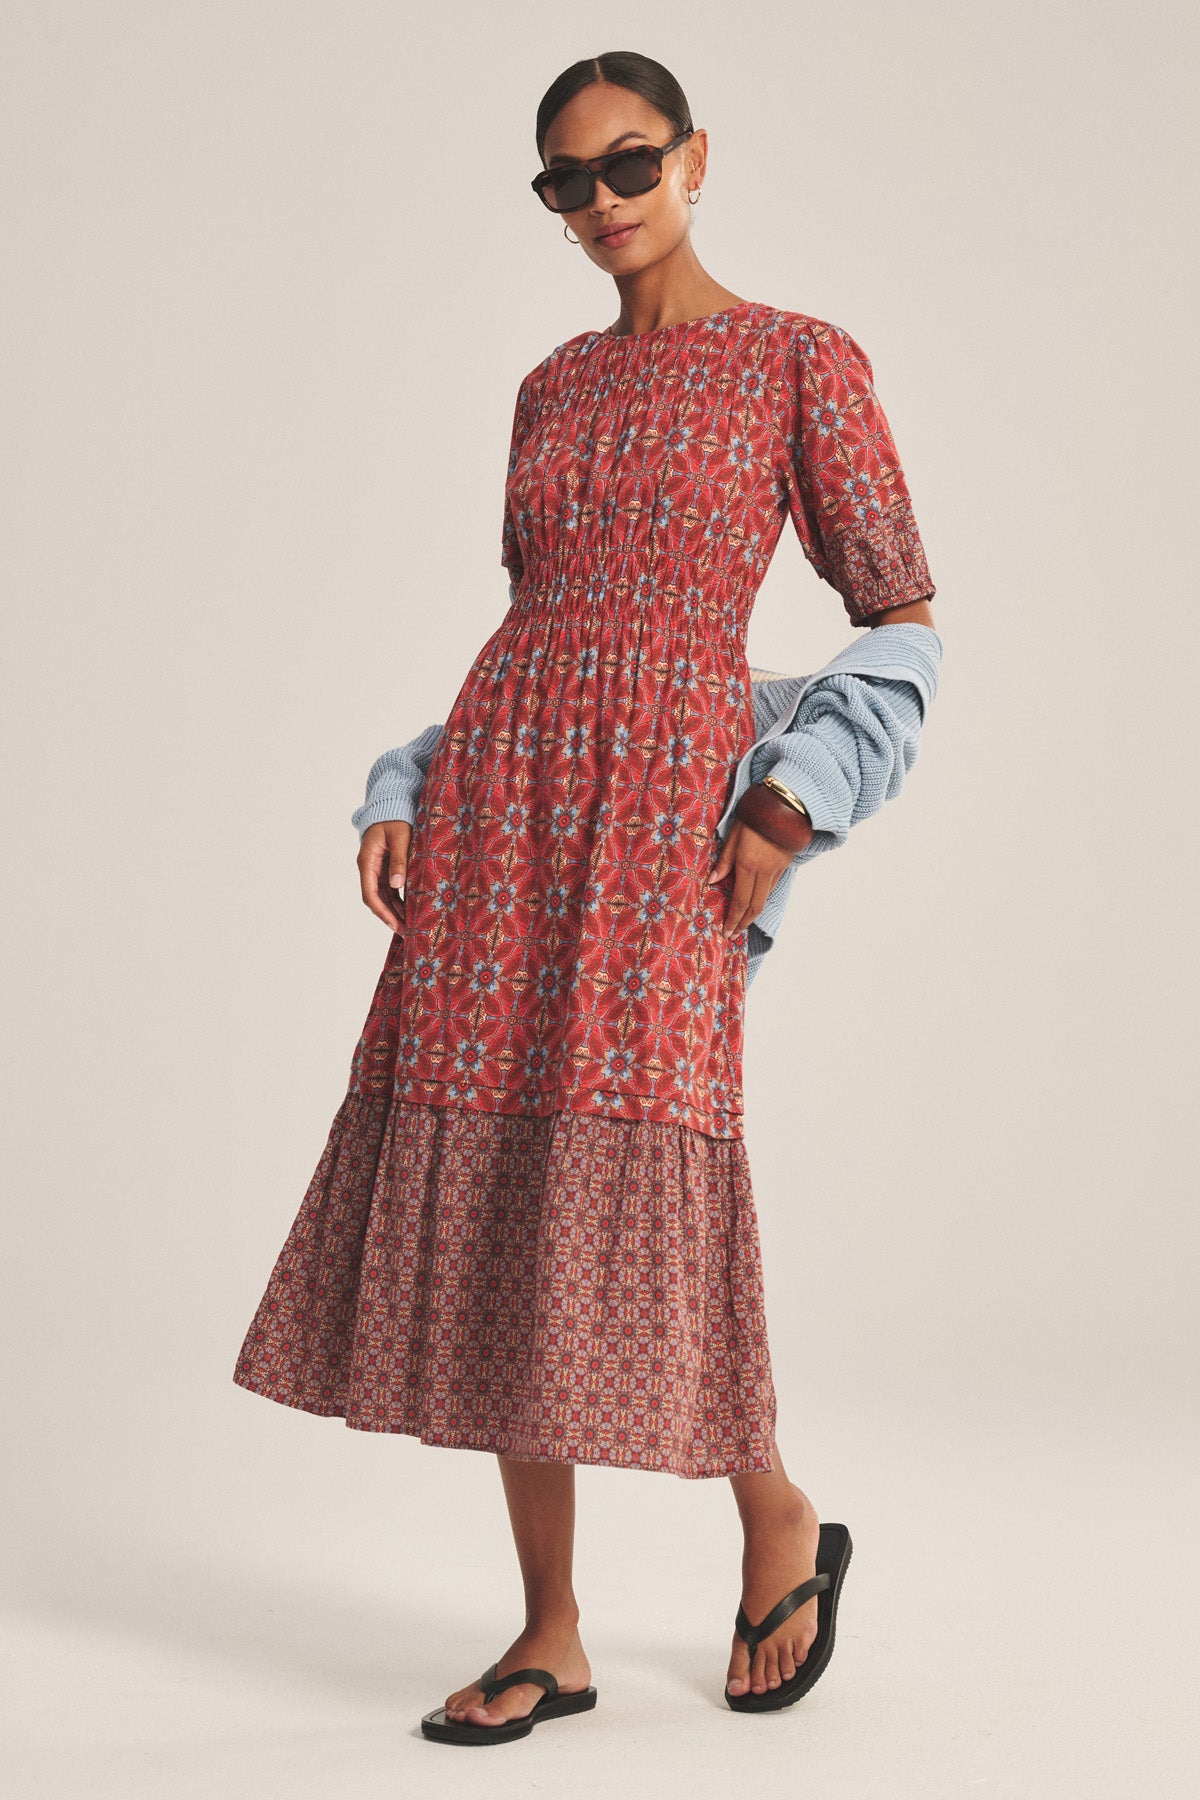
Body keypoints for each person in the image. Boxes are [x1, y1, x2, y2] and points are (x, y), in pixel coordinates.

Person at [232, 49, 940, 1745]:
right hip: (501, 820)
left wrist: (791, 797)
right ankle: (549, 1627)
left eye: (630, 166)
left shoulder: (797, 361)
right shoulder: (551, 388)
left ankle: (775, 1510)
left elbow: (900, 620)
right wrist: (408, 786)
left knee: (646, 1193)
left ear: (698, 158)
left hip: (653, 843)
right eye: (567, 181)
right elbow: (547, 636)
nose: (604, 202)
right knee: (497, 1190)